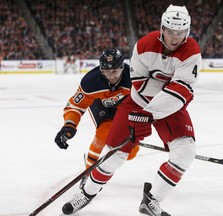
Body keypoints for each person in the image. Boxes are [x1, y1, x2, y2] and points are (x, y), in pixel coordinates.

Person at [61, 4, 201, 216]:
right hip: (137, 103)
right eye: (171, 31)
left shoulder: (192, 52)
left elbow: (182, 90)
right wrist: (147, 113)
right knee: (116, 153)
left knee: (185, 151)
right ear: (162, 28)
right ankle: (87, 193)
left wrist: (150, 115)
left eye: (180, 32)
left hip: (168, 107)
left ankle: (151, 200)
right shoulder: (144, 45)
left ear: (187, 31)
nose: (175, 37)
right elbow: (140, 85)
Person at [55, 48, 140, 189]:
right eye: (106, 72)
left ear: (122, 67)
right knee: (103, 135)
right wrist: (69, 125)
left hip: (125, 110)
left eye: (114, 72)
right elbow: (75, 106)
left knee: (130, 154)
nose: (111, 76)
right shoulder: (90, 81)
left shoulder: (134, 77)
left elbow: (147, 100)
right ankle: (89, 172)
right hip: (101, 107)